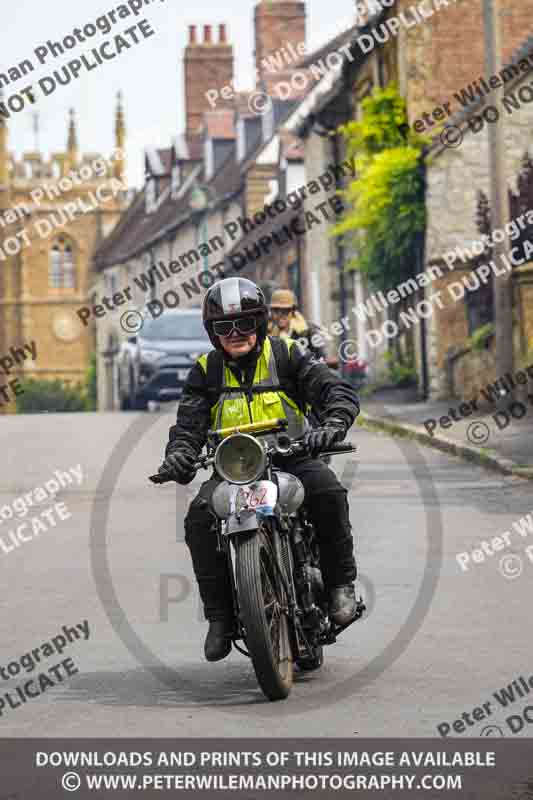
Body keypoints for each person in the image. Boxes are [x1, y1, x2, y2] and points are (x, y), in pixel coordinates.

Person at [158, 277, 360, 663]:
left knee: (329, 493)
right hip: (235, 468)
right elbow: (188, 428)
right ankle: (219, 618)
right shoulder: (205, 371)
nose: (235, 334)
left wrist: (333, 423)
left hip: (293, 457)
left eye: (244, 324)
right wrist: (180, 455)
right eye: (224, 327)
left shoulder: (287, 354)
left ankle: (339, 586)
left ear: (260, 322)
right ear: (212, 332)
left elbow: (335, 390)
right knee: (199, 519)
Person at [269, 288, 328, 361]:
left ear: (293, 312)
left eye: (285, 311)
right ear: (271, 312)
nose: (280, 316)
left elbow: (321, 360)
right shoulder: (267, 334)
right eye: (276, 311)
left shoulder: (309, 332)